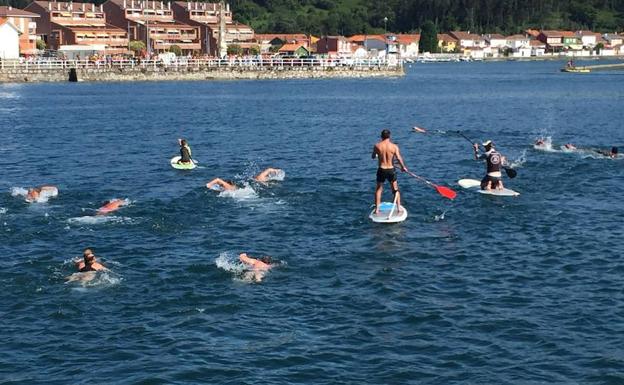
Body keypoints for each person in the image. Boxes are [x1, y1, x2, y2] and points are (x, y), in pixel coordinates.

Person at [372, 129, 408, 214]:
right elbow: (399, 158)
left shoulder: (377, 146)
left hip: (381, 169)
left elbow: (373, 156)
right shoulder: (394, 146)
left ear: (381, 136)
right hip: (391, 169)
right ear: (389, 136)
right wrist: (403, 167)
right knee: (395, 189)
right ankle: (399, 208)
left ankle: (377, 209)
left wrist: (377, 155)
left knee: (379, 189)